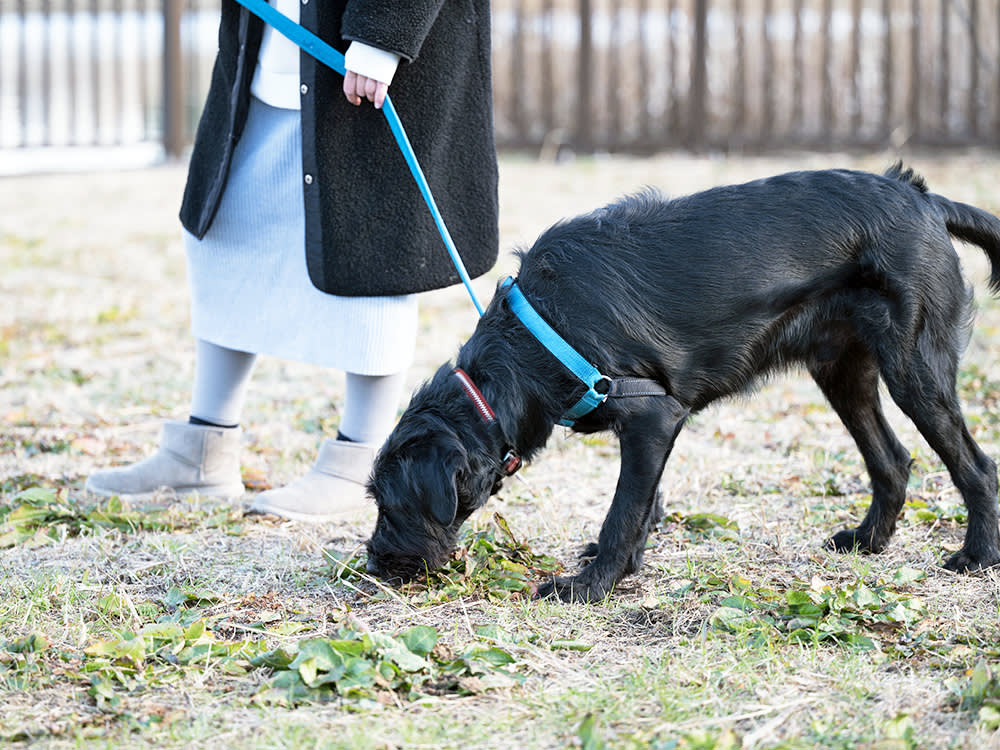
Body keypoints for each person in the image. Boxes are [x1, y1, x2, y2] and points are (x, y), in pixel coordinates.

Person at [84, 0, 499, 521]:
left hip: (365, 54)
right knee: (227, 226)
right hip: (270, 45)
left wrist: (384, 32)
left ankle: (359, 461)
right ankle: (203, 448)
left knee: (372, 252)